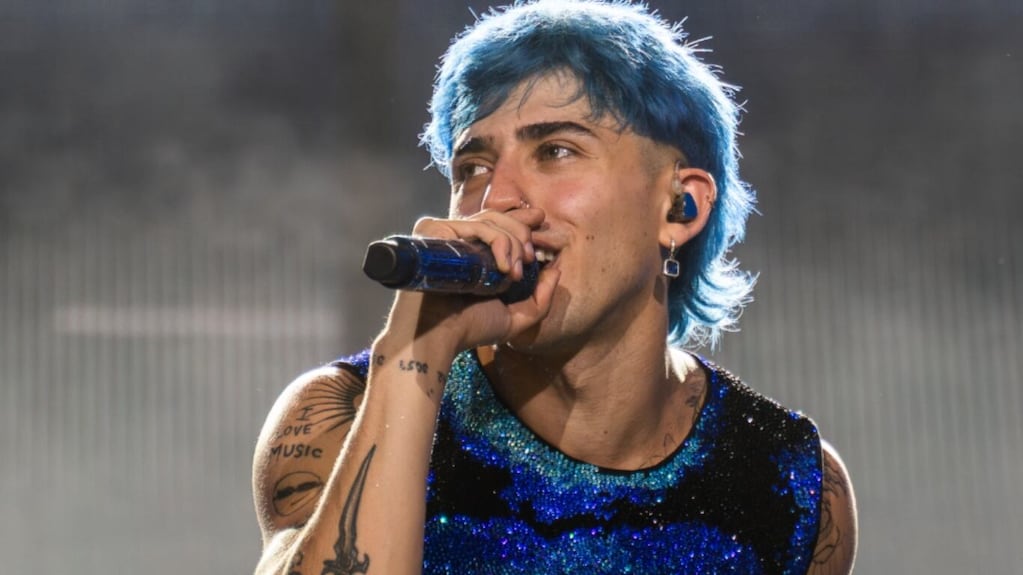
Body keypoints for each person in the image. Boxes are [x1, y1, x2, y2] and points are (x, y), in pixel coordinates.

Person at [252, 1, 858, 573]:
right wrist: (414, 355)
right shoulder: (344, 414)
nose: (497, 199)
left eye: (556, 151)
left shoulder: (792, 485)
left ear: (681, 206)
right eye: (472, 168)